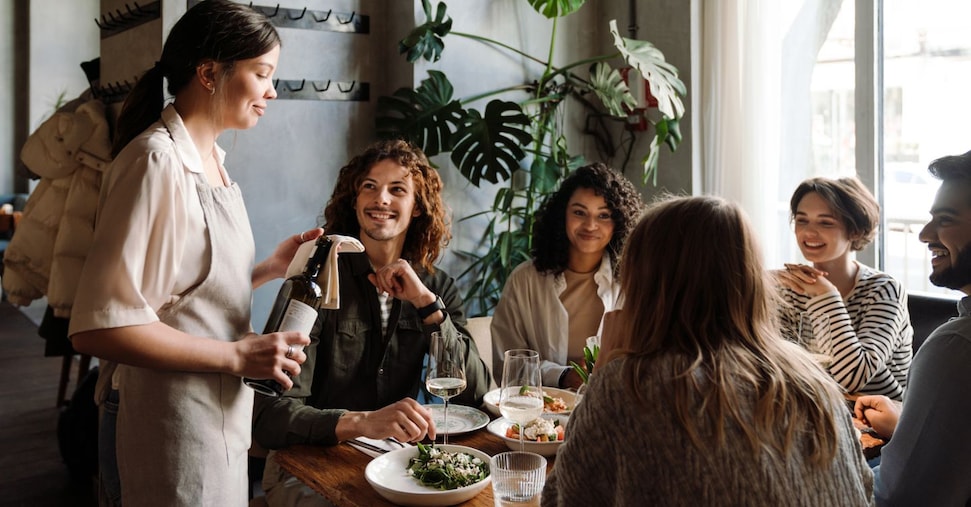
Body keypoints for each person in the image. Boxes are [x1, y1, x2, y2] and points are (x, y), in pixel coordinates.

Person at [67, 2, 317, 506]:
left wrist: (267, 269)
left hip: (213, 417)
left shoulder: (213, 161)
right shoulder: (155, 162)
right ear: (208, 73)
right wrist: (237, 355)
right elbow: (99, 327)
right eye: (262, 74)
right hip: (165, 423)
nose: (272, 91)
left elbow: (175, 295)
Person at [543, 195, 874, 506]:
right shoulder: (814, 380)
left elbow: (562, 499)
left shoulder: (631, 385)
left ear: (645, 282)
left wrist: (603, 369)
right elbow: (864, 490)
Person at [252, 139, 491, 506]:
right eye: (370, 186)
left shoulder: (437, 287)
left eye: (397, 190)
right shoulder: (314, 282)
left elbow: (476, 392)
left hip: (396, 466)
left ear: (417, 208)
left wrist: (426, 305)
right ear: (354, 200)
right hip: (306, 466)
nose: (381, 199)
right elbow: (269, 416)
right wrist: (361, 422)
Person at [855, 151, 971, 505]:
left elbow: (896, 497)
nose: (924, 234)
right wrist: (909, 427)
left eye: (945, 220)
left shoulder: (956, 347)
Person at [491, 163, 642, 389]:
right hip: (539, 408)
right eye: (579, 212)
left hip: (610, 404)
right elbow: (507, 367)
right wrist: (562, 376)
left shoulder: (632, 282)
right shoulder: (525, 280)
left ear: (619, 222)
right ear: (562, 214)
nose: (590, 225)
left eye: (604, 215)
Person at [775, 177, 913, 400]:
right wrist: (759, 282)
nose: (808, 232)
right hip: (813, 409)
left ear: (855, 231)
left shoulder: (884, 291)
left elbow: (852, 377)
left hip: (873, 417)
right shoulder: (790, 289)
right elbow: (774, 364)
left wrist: (826, 296)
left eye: (825, 223)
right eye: (802, 220)